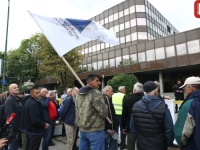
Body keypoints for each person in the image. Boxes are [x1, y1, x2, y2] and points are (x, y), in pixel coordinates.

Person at [130, 81, 174, 150]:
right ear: (156, 92)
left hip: (142, 145)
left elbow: (132, 127)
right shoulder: (163, 107)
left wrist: (140, 138)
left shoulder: (135, 105)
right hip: (159, 145)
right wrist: (169, 143)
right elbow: (169, 128)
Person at [76, 74, 108, 150]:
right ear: (90, 82)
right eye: (97, 81)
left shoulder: (78, 94)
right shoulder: (95, 93)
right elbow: (104, 112)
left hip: (82, 129)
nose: (99, 82)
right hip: (95, 129)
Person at [174, 76, 200, 149]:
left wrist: (180, 143)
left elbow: (181, 133)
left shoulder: (189, 104)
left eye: (185, 88)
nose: (184, 91)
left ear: (191, 88)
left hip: (193, 145)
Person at [21, 86, 49, 150]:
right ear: (32, 94)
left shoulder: (30, 102)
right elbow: (35, 120)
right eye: (36, 93)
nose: (39, 94)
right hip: (34, 132)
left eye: (39, 92)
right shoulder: (34, 104)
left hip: (29, 130)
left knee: (29, 147)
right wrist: (44, 124)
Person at [122, 83, 143, 150]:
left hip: (130, 127)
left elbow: (124, 115)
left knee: (130, 146)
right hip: (143, 128)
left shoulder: (128, 100)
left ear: (134, 90)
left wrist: (123, 127)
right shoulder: (145, 99)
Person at [4, 83, 22, 150]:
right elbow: (10, 117)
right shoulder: (10, 100)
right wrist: (13, 130)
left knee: (16, 146)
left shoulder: (17, 99)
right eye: (14, 88)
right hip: (14, 129)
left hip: (18, 127)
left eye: (17, 87)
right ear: (10, 90)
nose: (17, 88)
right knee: (13, 146)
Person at [102, 85, 118, 150]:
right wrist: (112, 127)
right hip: (109, 128)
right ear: (107, 91)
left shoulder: (100, 98)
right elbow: (110, 114)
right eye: (111, 91)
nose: (112, 93)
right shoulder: (107, 99)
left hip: (103, 127)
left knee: (104, 146)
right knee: (113, 146)